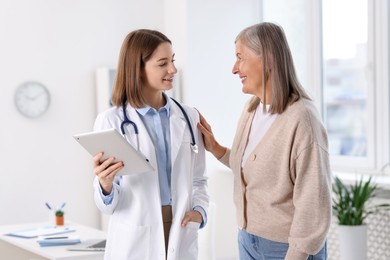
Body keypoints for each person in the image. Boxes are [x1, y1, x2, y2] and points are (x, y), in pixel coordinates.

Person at [197, 22, 331, 260]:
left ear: (268, 59)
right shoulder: (252, 109)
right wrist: (217, 149)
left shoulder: (302, 118)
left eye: (240, 58)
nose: (234, 69)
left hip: (287, 249)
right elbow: (259, 169)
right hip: (248, 240)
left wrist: (296, 254)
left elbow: (313, 203)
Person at [92, 29, 209, 260]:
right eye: (162, 63)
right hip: (136, 231)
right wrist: (104, 185)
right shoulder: (111, 121)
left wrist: (200, 212)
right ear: (138, 68)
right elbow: (107, 205)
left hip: (181, 225)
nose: (173, 70)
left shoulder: (188, 116)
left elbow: (199, 178)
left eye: (172, 61)